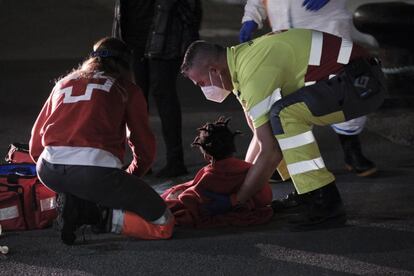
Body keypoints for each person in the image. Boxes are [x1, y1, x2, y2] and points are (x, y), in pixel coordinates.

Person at [180, 29, 386, 230]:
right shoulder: (240, 63)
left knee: (284, 115)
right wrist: (238, 179)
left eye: (201, 83)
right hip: (352, 79)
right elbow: (260, 136)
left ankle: (325, 200)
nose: (203, 89)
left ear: (214, 70)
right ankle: (307, 191)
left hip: (361, 84)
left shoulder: (252, 73)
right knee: (278, 118)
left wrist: (236, 199)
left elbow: (270, 151)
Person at [29, 37, 175, 245]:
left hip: (48, 170)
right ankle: (98, 217)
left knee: (81, 182)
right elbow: (144, 146)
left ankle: (75, 200)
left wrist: (57, 170)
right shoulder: (126, 89)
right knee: (164, 223)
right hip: (95, 174)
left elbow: (36, 139)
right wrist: (130, 176)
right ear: (126, 64)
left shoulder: (64, 82)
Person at [239, 0, 379, 177]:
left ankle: (352, 151)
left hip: (326, 25)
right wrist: (251, 17)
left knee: (342, 88)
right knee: (289, 99)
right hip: (285, 34)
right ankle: (289, 163)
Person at [112, 0, 202, 178]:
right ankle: (142, 162)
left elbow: (191, 11)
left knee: (164, 96)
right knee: (136, 101)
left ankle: (175, 161)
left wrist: (185, 37)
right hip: (133, 41)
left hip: (166, 41)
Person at [161, 117, 273, 227]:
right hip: (252, 206)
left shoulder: (209, 177)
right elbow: (266, 195)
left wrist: (176, 196)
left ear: (206, 156)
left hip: (225, 206)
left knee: (172, 198)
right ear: (233, 147)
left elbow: (190, 199)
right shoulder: (252, 171)